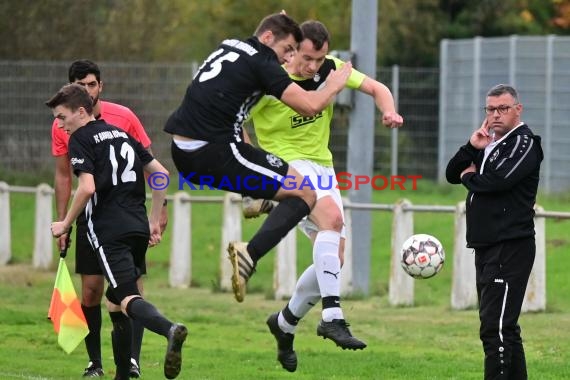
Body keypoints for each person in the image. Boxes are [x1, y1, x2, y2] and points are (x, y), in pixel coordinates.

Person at [243, 20, 403, 372]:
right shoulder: (271, 80)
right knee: (333, 221)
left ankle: (284, 323)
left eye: (319, 59)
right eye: (307, 58)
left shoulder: (331, 69)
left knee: (335, 257)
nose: (313, 66)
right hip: (289, 171)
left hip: (324, 168)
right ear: (294, 48)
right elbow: (234, 121)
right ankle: (333, 315)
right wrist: (251, 164)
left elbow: (377, 88)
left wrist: (388, 110)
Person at [163, 13, 352, 303]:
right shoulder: (263, 64)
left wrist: (281, 24)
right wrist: (335, 85)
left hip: (183, 148)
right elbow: (310, 106)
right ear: (267, 38)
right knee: (305, 193)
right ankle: (249, 254)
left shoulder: (229, 45)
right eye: (288, 50)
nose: (289, 58)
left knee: (281, 179)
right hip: (212, 150)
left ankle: (257, 196)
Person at [47, 83, 187, 380]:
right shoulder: (121, 134)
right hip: (136, 225)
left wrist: (65, 223)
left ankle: (169, 329)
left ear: (81, 112)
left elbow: (86, 187)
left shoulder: (81, 139)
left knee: (125, 296)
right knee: (115, 303)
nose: (59, 124)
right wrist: (152, 218)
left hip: (108, 229)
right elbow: (161, 174)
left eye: (62, 117)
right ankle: (122, 375)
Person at [446, 84, 543, 379]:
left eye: (503, 109)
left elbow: (497, 183)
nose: (496, 115)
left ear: (518, 109)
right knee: (504, 327)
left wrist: (471, 176)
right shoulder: (489, 144)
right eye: (490, 109)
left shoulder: (524, 143)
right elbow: (452, 174)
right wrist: (471, 148)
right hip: (487, 244)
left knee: (495, 329)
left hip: (510, 245)